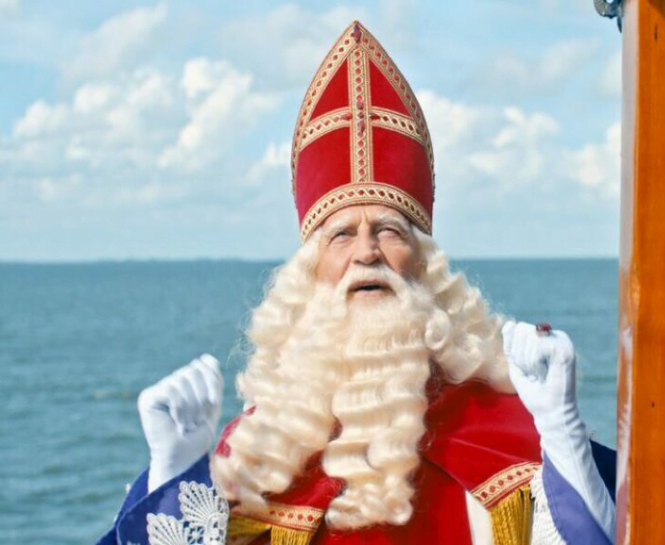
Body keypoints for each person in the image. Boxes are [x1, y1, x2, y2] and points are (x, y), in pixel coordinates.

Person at [97, 21, 616, 545]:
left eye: (388, 230)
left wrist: (563, 434)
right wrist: (170, 475)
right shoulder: (261, 446)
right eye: (341, 235)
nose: (366, 253)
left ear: (425, 264)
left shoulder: (510, 428)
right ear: (310, 274)